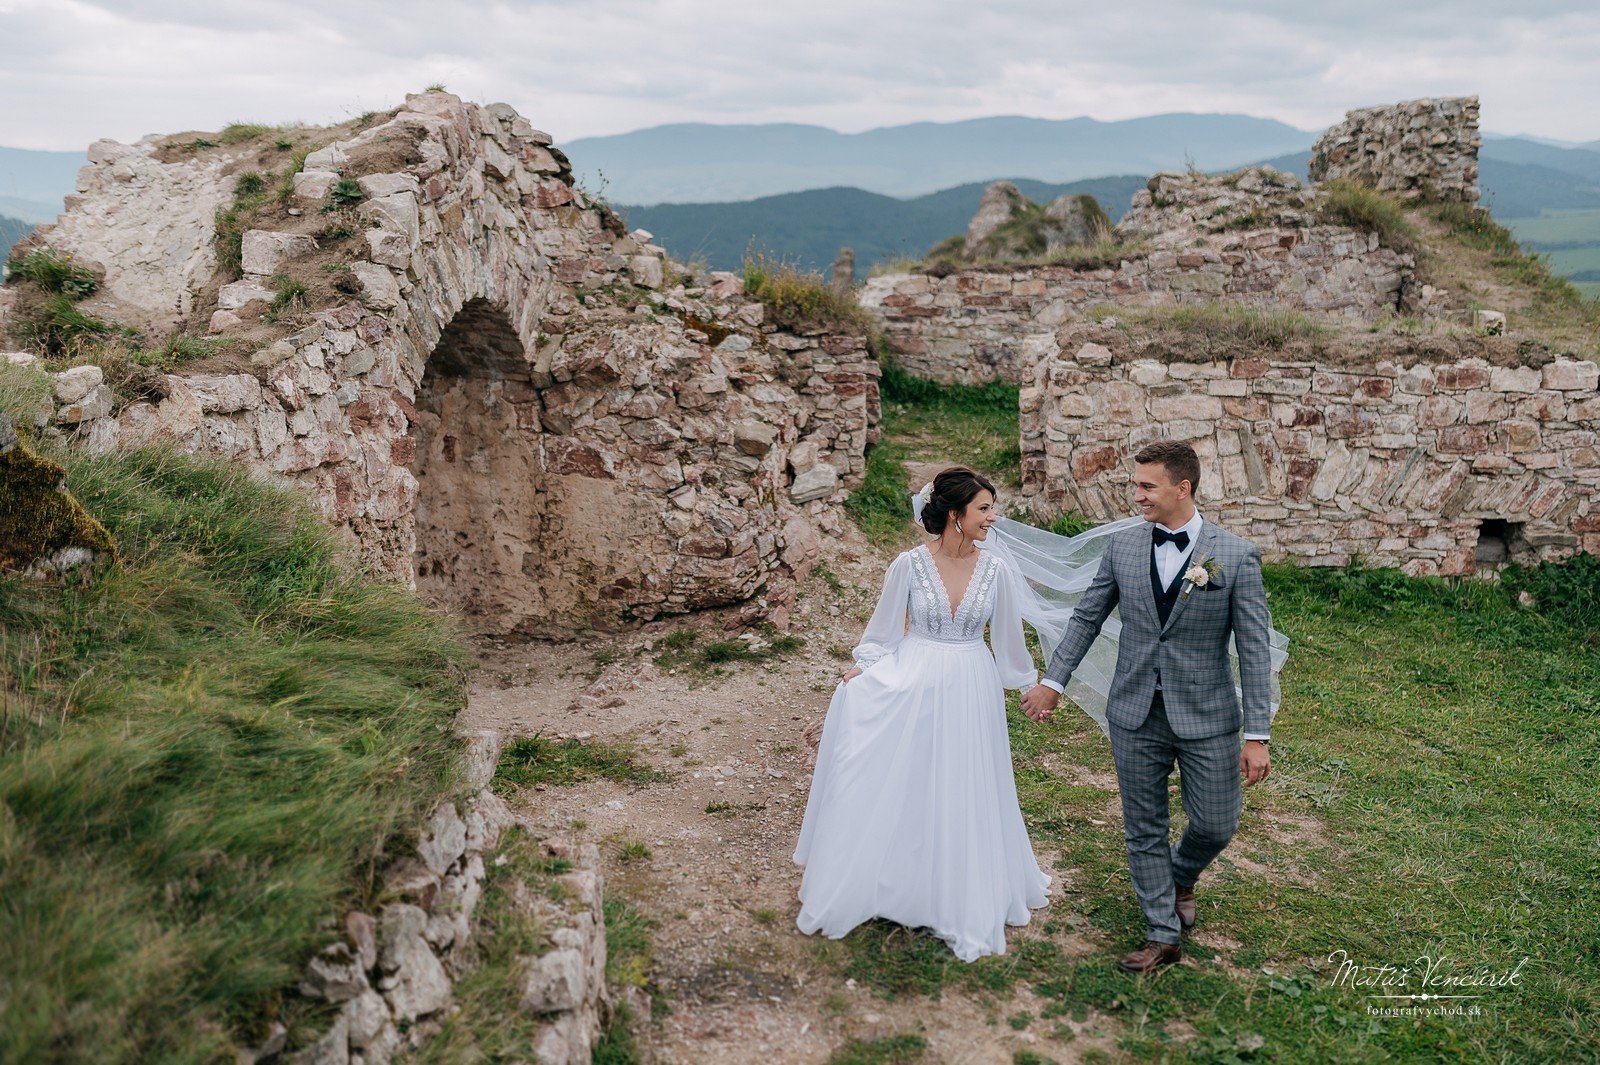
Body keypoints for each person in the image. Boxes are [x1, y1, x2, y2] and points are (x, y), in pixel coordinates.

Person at [1020, 441, 1275, 974]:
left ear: (1182, 488)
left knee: (1216, 824)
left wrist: (1258, 734)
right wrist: (1053, 681)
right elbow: (1087, 617)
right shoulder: (1123, 550)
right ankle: (1163, 932)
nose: (1135, 496)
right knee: (1144, 826)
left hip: (1207, 715)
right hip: (1134, 711)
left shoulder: (1234, 556)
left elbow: (1252, 650)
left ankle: (1180, 876)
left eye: (1146, 486)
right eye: (1135, 485)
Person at [793, 467, 1050, 962]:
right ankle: (898, 879)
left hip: (972, 680)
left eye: (992, 508)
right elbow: (882, 634)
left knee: (966, 781)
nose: (992, 518)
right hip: (915, 673)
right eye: (984, 509)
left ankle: (959, 885)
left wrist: (1026, 683)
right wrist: (863, 670)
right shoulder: (908, 566)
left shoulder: (996, 570)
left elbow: (1009, 644)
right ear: (955, 515)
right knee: (911, 775)